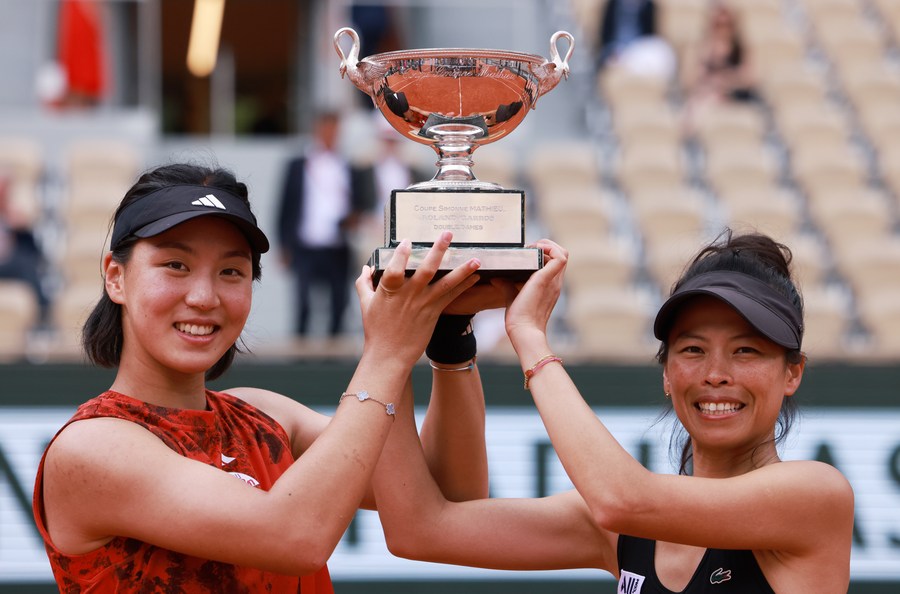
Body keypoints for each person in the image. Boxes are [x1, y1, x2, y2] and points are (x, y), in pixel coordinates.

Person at [31, 162, 491, 591]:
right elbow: (296, 537)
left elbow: (450, 493)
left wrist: (450, 339)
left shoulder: (263, 414)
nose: (205, 296)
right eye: (176, 265)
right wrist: (386, 354)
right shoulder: (91, 447)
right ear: (116, 277)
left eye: (231, 271)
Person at [372, 230, 854, 593]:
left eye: (746, 351)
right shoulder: (622, 527)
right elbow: (418, 529)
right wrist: (411, 344)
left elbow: (622, 498)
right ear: (667, 375)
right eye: (692, 350)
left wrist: (529, 336)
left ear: (793, 374)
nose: (715, 374)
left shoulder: (815, 496)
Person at [277, 110, 375, 337]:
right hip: (304, 243)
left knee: (338, 302)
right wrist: (283, 244)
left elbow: (360, 201)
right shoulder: (299, 165)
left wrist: (353, 218)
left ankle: (333, 355)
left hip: (337, 244)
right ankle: (300, 356)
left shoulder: (347, 166)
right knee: (303, 303)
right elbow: (285, 204)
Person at [680, 1, 758, 135]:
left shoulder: (740, 48)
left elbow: (750, 78)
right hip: (706, 94)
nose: (722, 29)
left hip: (733, 96)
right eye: (718, 24)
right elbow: (689, 79)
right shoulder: (701, 47)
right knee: (698, 104)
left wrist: (725, 80)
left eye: (727, 25)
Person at [0, 173, 52, 330]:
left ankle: (42, 316)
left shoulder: (14, 216)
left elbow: (36, 253)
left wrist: (21, 228)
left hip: (11, 264)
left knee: (27, 264)